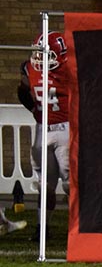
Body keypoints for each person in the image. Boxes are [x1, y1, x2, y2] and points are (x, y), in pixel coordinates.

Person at [15, 30, 72, 231]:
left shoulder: (70, 69)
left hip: (66, 129)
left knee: (69, 185)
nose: (41, 58)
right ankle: (42, 228)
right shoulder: (30, 68)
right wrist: (33, 108)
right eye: (40, 52)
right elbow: (22, 91)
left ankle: (80, 228)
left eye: (48, 54)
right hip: (42, 129)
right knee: (45, 186)